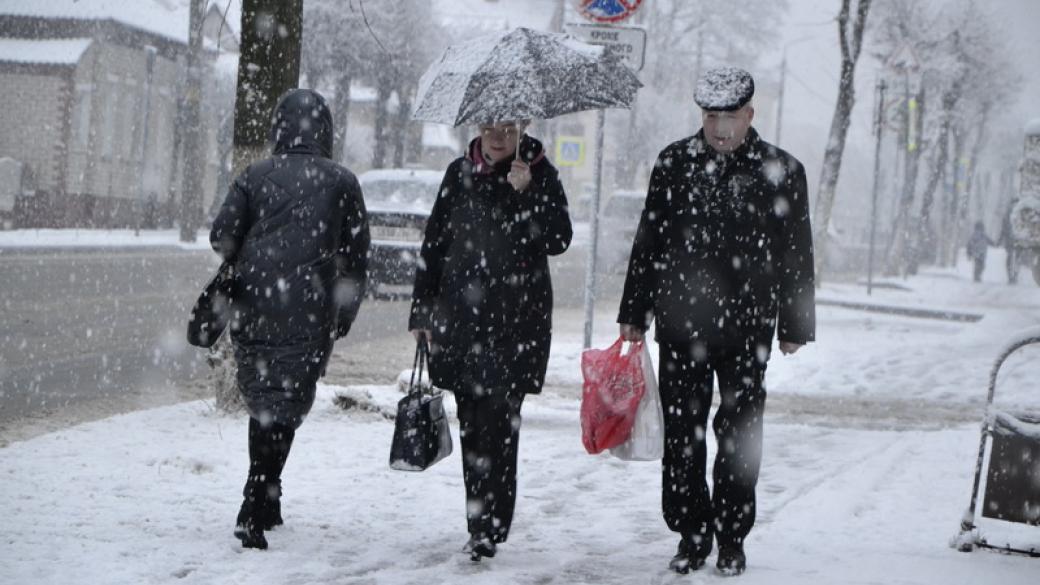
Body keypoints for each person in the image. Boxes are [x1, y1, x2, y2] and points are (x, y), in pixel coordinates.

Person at [617, 66, 815, 576]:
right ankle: (691, 532)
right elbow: (649, 243)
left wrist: (795, 324)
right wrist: (634, 313)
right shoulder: (674, 164)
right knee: (682, 434)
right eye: (711, 118)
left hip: (748, 329)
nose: (721, 129)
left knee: (739, 435)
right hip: (682, 328)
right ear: (700, 116)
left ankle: (731, 537)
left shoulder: (782, 170)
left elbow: (797, 254)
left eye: (730, 118)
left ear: (750, 114)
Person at [210, 88, 370, 550]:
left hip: (253, 304)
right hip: (311, 308)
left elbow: (222, 237)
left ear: (278, 126)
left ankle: (266, 497)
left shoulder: (253, 175)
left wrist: (256, 253)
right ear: (326, 130)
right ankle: (255, 498)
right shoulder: (342, 182)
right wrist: (345, 310)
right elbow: (356, 258)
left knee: (263, 404)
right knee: (287, 406)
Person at [409, 119, 572, 561]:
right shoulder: (457, 173)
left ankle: (492, 523)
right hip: (460, 320)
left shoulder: (539, 173)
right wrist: (423, 309)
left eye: (507, 128)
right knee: (472, 424)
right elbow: (434, 244)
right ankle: (478, 522)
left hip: (516, 325)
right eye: (489, 127)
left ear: (523, 128)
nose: (497, 137)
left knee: (500, 424)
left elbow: (559, 239)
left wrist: (527, 193)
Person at [997, 199, 1019, 284]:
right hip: (1016, 239)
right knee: (1016, 257)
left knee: (1011, 257)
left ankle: (1011, 276)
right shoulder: (1019, 213)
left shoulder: (1007, 214)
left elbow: (1003, 229)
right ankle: (1013, 275)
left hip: (1011, 239)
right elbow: (1004, 229)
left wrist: (1000, 239)